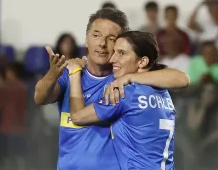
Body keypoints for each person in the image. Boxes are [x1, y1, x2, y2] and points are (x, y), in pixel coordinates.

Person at [34, 8, 189, 170]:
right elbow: (39, 97)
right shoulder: (71, 72)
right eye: (96, 35)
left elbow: (181, 78)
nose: (102, 43)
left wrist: (129, 77)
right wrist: (53, 74)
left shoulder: (125, 78)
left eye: (111, 38)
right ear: (86, 40)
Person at [67, 31, 175, 170]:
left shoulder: (126, 93)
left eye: (121, 53)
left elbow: (77, 117)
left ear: (142, 61)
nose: (112, 59)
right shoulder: (164, 93)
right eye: (114, 52)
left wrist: (74, 73)